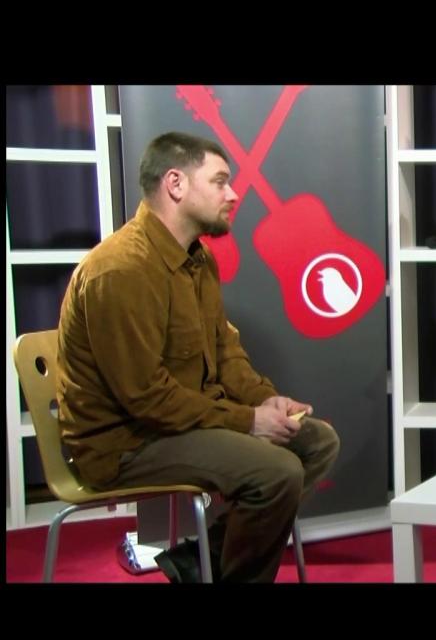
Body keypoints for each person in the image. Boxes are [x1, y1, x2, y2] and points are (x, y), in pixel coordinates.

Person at [56, 131, 340, 583]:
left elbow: (224, 351)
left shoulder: (199, 259)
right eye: (220, 181)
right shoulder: (120, 270)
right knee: (277, 471)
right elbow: (146, 398)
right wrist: (248, 421)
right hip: (125, 443)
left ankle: (201, 559)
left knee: (317, 441)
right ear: (175, 184)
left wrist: (265, 401)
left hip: (177, 422)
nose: (234, 194)